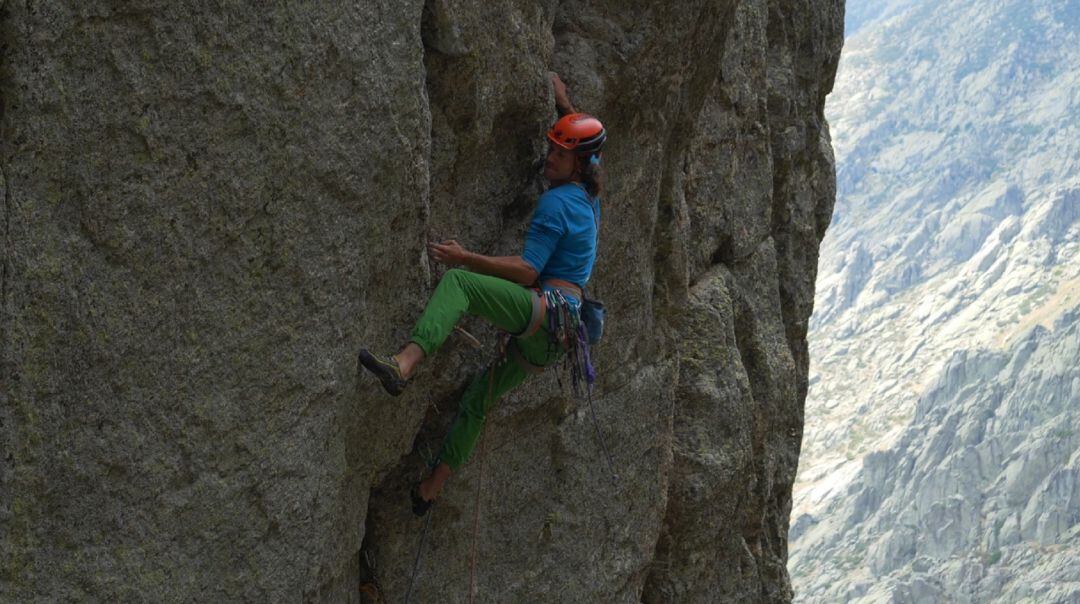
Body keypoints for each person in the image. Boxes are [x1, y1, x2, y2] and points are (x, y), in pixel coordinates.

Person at [358, 74, 605, 515]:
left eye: (558, 153)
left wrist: (465, 256)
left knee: (460, 283)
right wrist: (565, 104)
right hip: (558, 340)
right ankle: (430, 489)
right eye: (550, 148)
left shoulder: (557, 203)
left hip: (547, 313)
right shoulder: (589, 198)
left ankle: (403, 364)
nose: (549, 157)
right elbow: (585, 145)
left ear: (579, 164)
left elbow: (529, 268)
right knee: (478, 398)